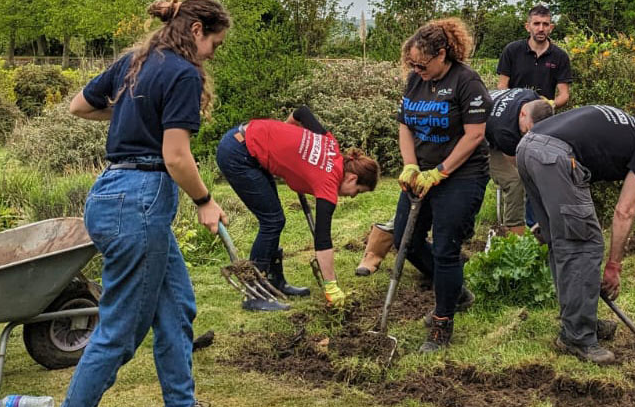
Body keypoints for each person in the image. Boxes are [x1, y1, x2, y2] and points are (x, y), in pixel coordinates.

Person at [36, 0, 236, 407]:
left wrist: (130, 115)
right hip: (141, 200)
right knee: (120, 329)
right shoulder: (184, 74)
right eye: (215, 42)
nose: (213, 53)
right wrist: (206, 201)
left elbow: (79, 106)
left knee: (176, 306)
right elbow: (176, 157)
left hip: (111, 193)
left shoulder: (135, 61)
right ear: (195, 31)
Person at [516, 106, 635, 365]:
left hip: (527, 148)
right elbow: (625, 210)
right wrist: (613, 265)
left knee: (564, 244)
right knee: (586, 245)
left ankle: (577, 321)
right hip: (554, 157)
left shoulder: (629, 128)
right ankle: (579, 337)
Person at [391, 18, 491, 353]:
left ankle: (442, 323)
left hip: (461, 175)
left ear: (442, 55)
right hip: (422, 172)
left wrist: (441, 171)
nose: (416, 69)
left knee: (446, 248)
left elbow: (475, 135)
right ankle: (456, 289)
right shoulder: (414, 81)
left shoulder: (467, 82)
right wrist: (410, 165)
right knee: (405, 239)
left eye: (421, 64)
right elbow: (405, 125)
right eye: (411, 64)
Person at [216, 107, 380, 309]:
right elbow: (322, 239)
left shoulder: (331, 144)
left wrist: (282, 143)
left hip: (246, 143)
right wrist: (331, 286)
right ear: (352, 177)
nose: (353, 196)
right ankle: (253, 293)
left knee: (275, 219)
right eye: (358, 191)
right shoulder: (328, 182)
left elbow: (302, 113)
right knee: (272, 220)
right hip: (238, 153)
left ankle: (275, 282)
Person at [485, 87, 556, 237]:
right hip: (478, 140)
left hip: (499, 124)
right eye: (527, 130)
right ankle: (515, 238)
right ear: (522, 114)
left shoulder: (531, 97)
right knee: (515, 181)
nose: (529, 134)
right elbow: (519, 165)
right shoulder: (504, 130)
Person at [496, 4, 572, 108]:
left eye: (545, 24)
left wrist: (550, 104)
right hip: (515, 112)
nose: (541, 28)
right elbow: (502, 86)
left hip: (544, 115)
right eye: (536, 24)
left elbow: (564, 94)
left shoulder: (560, 56)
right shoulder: (512, 50)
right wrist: (514, 105)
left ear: (551, 27)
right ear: (527, 27)